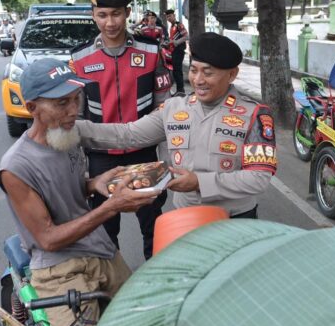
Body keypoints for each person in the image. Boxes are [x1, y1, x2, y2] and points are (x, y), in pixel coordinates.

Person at [0, 58, 158, 326]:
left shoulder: (67, 136)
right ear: (32, 107)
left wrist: (94, 184)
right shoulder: (15, 167)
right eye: (62, 103)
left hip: (99, 250)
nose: (74, 110)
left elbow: (64, 188)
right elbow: (48, 239)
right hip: (59, 269)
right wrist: (111, 207)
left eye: (76, 99)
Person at [77, 32, 276, 218]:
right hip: (185, 217)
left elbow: (258, 177)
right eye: (194, 70)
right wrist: (70, 128)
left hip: (236, 219)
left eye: (208, 73)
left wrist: (199, 182)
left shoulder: (255, 115)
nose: (198, 80)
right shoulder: (173, 108)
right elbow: (128, 134)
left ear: (232, 75)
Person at [71, 0, 172, 260]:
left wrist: (168, 159)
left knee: (154, 226)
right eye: (102, 15)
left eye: (116, 14)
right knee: (105, 230)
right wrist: (81, 170)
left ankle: (155, 284)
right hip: (101, 158)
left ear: (128, 12)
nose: (110, 22)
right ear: (93, 14)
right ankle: (111, 293)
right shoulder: (78, 58)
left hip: (144, 153)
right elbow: (75, 118)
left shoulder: (151, 51)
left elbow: (165, 107)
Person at [164, 9, 189, 96]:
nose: (168, 18)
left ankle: (181, 90)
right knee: (175, 71)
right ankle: (180, 89)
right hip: (174, 51)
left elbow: (186, 36)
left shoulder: (179, 25)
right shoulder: (172, 26)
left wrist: (175, 42)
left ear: (174, 16)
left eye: (170, 16)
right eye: (167, 17)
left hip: (179, 50)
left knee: (177, 71)